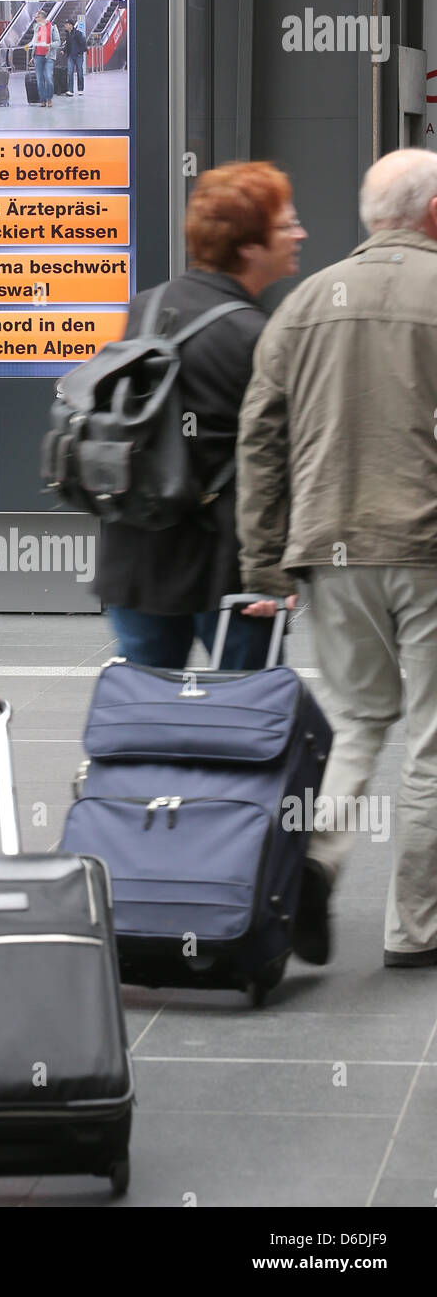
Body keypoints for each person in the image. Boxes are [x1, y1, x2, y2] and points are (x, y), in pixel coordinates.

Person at [237, 146, 437, 972]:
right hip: (426, 546)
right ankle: (414, 928)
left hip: (328, 546)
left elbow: (260, 436)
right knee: (432, 737)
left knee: (359, 722)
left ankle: (318, 861)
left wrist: (264, 566)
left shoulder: (307, 302)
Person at [97, 161, 306, 670]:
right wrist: (276, 570)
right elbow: (274, 460)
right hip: (227, 571)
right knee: (245, 719)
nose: (299, 233)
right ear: (249, 245)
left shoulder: (145, 307)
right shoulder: (258, 337)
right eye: (284, 225)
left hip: (136, 554)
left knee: (143, 717)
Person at [30, 9, 60, 108]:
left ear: (42, 17)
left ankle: (49, 98)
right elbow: (34, 42)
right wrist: (32, 56)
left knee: (49, 77)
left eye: (36, 17)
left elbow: (58, 42)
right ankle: (42, 99)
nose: (35, 19)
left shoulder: (52, 27)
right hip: (38, 55)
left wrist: (49, 45)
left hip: (49, 56)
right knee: (39, 79)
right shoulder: (36, 28)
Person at [63, 19, 87, 96]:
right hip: (70, 56)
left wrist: (80, 52)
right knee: (70, 73)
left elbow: (83, 43)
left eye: (67, 24)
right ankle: (70, 90)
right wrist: (64, 50)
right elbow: (67, 44)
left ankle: (80, 89)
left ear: (71, 25)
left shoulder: (78, 33)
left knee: (80, 72)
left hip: (78, 56)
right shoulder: (67, 34)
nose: (65, 26)